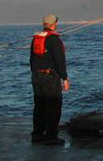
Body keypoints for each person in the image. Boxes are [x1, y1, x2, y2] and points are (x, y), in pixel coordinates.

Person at [30, 13, 70, 145]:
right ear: (54, 24)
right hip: (50, 76)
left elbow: (31, 59)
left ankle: (37, 134)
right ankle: (51, 136)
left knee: (39, 105)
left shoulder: (36, 38)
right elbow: (60, 60)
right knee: (53, 105)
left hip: (36, 75)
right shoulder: (54, 40)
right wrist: (64, 78)